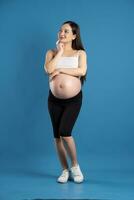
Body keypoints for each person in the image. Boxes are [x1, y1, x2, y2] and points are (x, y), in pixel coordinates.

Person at [44, 20, 87, 183]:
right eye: (60, 30)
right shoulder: (51, 52)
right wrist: (60, 53)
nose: (62, 33)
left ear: (74, 35)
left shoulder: (80, 53)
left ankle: (75, 166)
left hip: (73, 100)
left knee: (65, 132)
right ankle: (64, 170)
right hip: (53, 99)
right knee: (57, 136)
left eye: (66, 31)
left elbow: (82, 71)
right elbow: (48, 69)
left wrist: (61, 69)